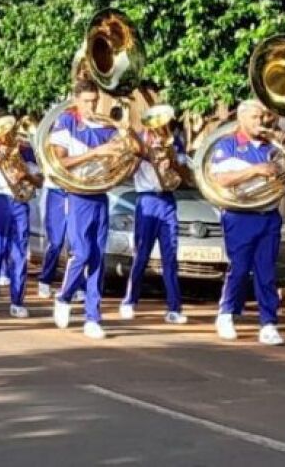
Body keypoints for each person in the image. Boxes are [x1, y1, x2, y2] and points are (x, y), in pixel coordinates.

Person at [209, 99, 285, 345]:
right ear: (241, 119)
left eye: (261, 117)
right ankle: (227, 313)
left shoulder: (272, 145)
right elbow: (220, 179)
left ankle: (269, 323)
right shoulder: (228, 144)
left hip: (269, 215)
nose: (260, 122)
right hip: (240, 215)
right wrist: (255, 170)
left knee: (266, 271)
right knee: (239, 269)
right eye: (254, 118)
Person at [51, 80, 132, 339]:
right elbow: (61, 162)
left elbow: (124, 155)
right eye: (86, 101)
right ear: (76, 100)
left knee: (98, 256)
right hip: (77, 195)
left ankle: (93, 316)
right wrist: (97, 152)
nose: (91, 106)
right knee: (82, 253)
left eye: (94, 101)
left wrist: (123, 139)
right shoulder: (66, 122)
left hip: (100, 195)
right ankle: (64, 297)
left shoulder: (106, 126)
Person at [119, 114, 191, 324]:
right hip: (147, 199)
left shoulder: (174, 143)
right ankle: (129, 301)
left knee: (170, 257)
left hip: (167, 200)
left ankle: (174, 308)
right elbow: (128, 172)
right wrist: (143, 156)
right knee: (141, 254)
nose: (160, 128)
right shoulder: (139, 141)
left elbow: (186, 175)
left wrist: (173, 165)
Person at [0, 122, 43, 317]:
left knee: (19, 252)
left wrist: (27, 177)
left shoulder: (25, 149)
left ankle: (17, 301)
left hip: (19, 201)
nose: (6, 135)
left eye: (9, 130)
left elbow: (40, 181)